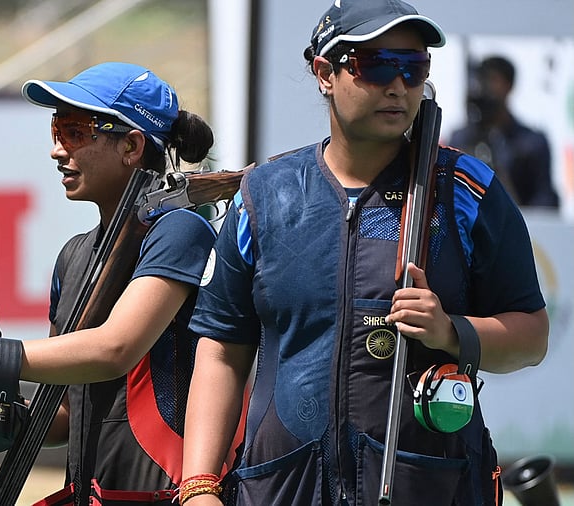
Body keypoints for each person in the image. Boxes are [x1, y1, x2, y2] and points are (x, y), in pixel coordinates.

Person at [179, 0, 550, 505]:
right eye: (376, 65)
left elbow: (531, 336)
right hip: (280, 489)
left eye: (414, 68)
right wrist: (198, 484)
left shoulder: (466, 189)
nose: (398, 86)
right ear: (324, 72)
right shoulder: (264, 194)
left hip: (429, 487)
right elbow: (222, 349)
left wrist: (452, 331)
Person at [0, 62, 230, 505]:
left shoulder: (179, 229)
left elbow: (114, 350)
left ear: (132, 145)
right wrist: (13, 418)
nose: (57, 150)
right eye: (56, 130)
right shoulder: (74, 255)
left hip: (169, 494)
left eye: (75, 131)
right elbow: (68, 410)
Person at [449, 55, 559, 208]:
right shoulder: (461, 139)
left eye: (493, 80)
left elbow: (545, 200)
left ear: (509, 85)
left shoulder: (531, 143)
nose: (485, 88)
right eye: (481, 80)